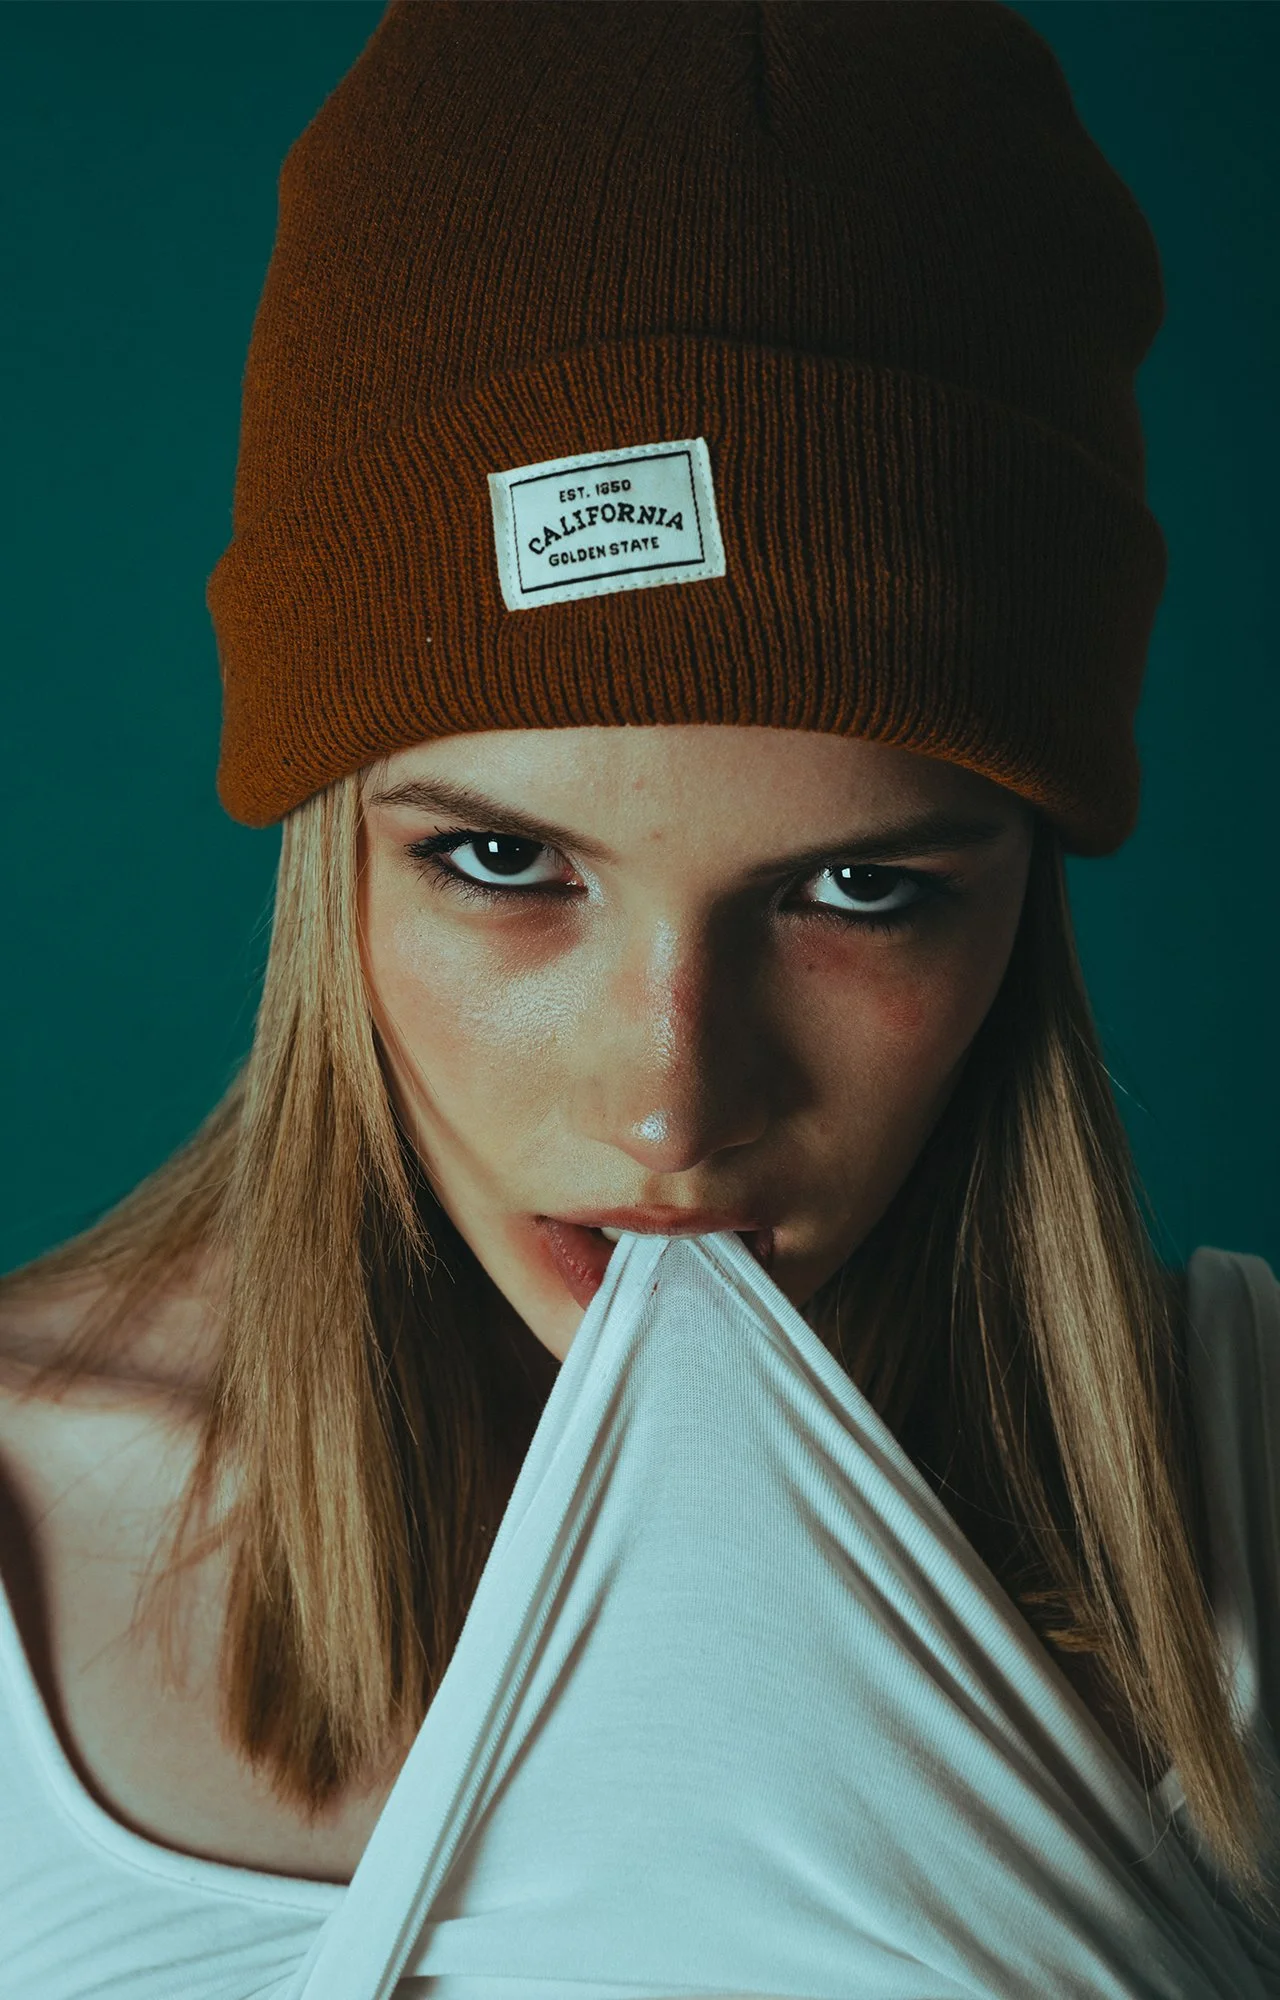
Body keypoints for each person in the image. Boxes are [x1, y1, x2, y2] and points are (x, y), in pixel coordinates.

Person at [0, 4, 1276, 1996]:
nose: (673, 1104)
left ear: (1021, 898)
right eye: (505, 863)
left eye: (858, 889)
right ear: (329, 847)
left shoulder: (1252, 1502)